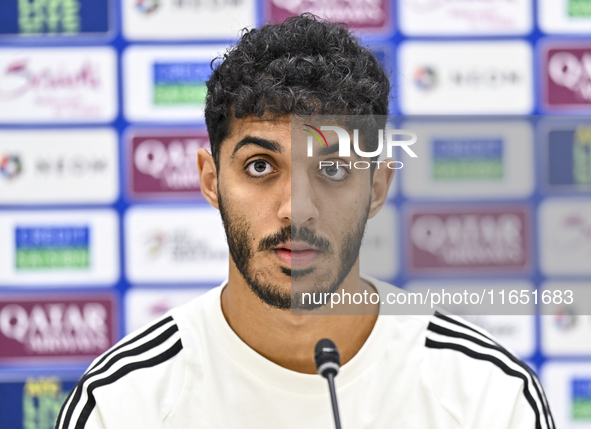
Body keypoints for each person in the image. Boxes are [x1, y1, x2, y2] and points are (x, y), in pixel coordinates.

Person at [56, 14, 554, 429]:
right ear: (211, 181)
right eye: (260, 166)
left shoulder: (490, 397)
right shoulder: (123, 403)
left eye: (333, 169)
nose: (297, 208)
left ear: (377, 186)